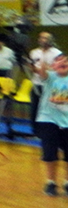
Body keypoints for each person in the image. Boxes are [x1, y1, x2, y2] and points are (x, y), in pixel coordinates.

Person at [33, 54, 68, 196]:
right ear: (53, 66)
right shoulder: (50, 77)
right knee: (50, 152)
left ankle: (67, 182)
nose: (64, 62)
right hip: (48, 119)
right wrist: (42, 61)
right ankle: (51, 182)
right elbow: (41, 72)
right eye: (59, 61)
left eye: (66, 61)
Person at [29, 32, 62, 130]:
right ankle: (35, 130)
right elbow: (31, 68)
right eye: (40, 37)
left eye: (45, 38)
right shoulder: (34, 52)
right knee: (35, 108)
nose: (42, 39)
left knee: (49, 109)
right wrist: (44, 69)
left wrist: (43, 69)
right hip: (36, 84)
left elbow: (58, 69)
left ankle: (49, 130)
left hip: (50, 86)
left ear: (50, 40)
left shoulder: (57, 53)